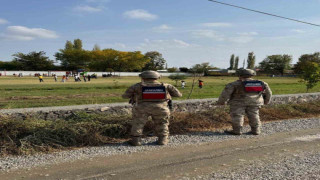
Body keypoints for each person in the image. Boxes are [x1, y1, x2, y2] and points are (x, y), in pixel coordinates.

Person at [122, 70, 182, 146]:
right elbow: (179, 95)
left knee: (138, 124)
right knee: (162, 123)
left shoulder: (137, 86)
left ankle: (136, 141)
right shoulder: (166, 86)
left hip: (141, 108)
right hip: (161, 108)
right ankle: (162, 140)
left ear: (143, 78)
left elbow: (125, 96)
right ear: (158, 77)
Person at [216, 69, 272, 135]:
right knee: (254, 115)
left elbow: (225, 94)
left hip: (238, 102)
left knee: (237, 115)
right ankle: (256, 130)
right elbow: (269, 93)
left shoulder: (234, 84)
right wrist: (266, 101)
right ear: (252, 75)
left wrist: (221, 102)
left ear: (240, 75)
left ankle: (237, 130)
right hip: (255, 102)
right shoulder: (261, 83)